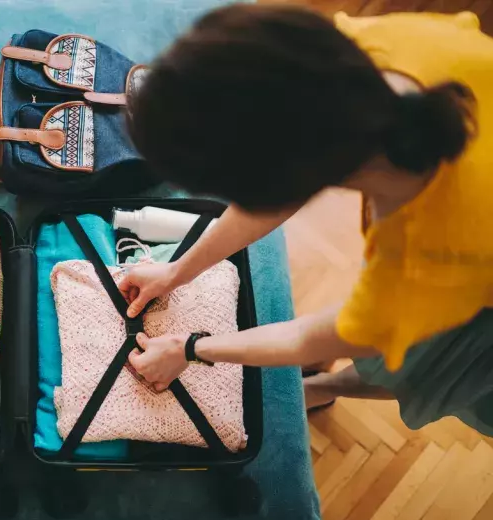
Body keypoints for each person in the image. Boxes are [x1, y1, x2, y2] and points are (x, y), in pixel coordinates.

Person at [121, 5, 493, 436]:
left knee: (426, 367)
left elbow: (315, 337)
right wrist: (175, 271)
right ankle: (325, 385)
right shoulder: (385, 50)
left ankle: (322, 387)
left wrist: (189, 348)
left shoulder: (422, 264)